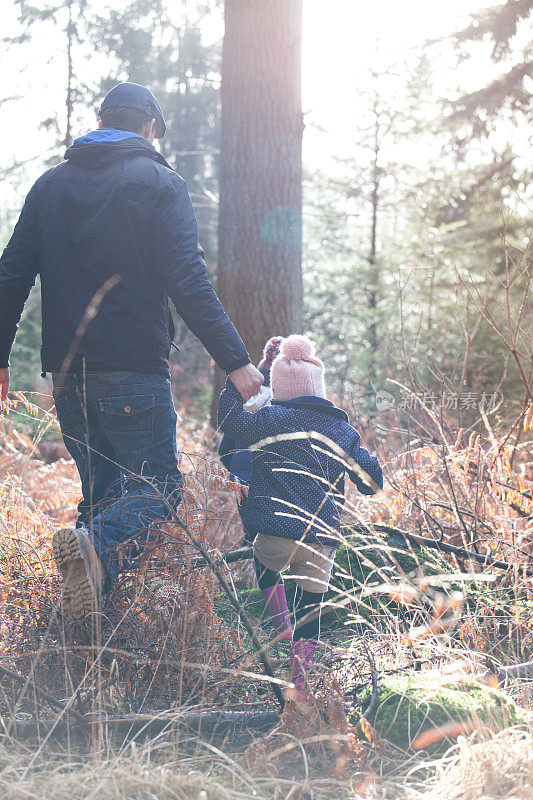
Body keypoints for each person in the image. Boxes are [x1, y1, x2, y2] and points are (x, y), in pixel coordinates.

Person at [0, 82, 262, 633]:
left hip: (68, 376)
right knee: (158, 491)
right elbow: (189, 281)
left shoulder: (49, 186)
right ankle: (91, 557)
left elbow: (10, 276)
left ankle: (83, 642)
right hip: (133, 374)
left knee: (100, 498)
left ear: (101, 123)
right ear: (148, 128)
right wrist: (237, 364)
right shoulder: (160, 184)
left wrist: (0, 358)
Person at [218, 335, 383, 694]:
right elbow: (372, 481)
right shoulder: (342, 432)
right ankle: (300, 683)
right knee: (312, 609)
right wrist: (356, 463)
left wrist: (243, 377)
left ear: (278, 391)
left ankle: (280, 628)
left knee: (263, 563)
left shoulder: (267, 421)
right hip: (320, 541)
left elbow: (229, 424)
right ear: (320, 390)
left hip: (274, 537)